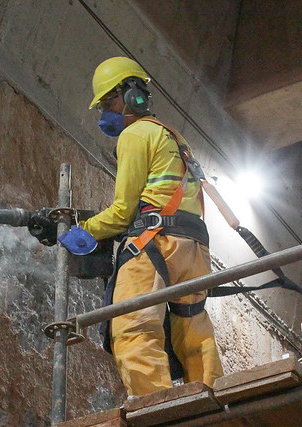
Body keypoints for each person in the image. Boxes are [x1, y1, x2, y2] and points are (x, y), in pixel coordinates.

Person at [79, 57, 223, 396]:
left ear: (131, 97)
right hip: (194, 245)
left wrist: (84, 230)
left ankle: (157, 408)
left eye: (108, 102)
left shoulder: (134, 134)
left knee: (133, 327)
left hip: (156, 242)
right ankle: (211, 400)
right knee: (193, 329)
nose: (105, 113)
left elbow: (121, 212)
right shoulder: (175, 137)